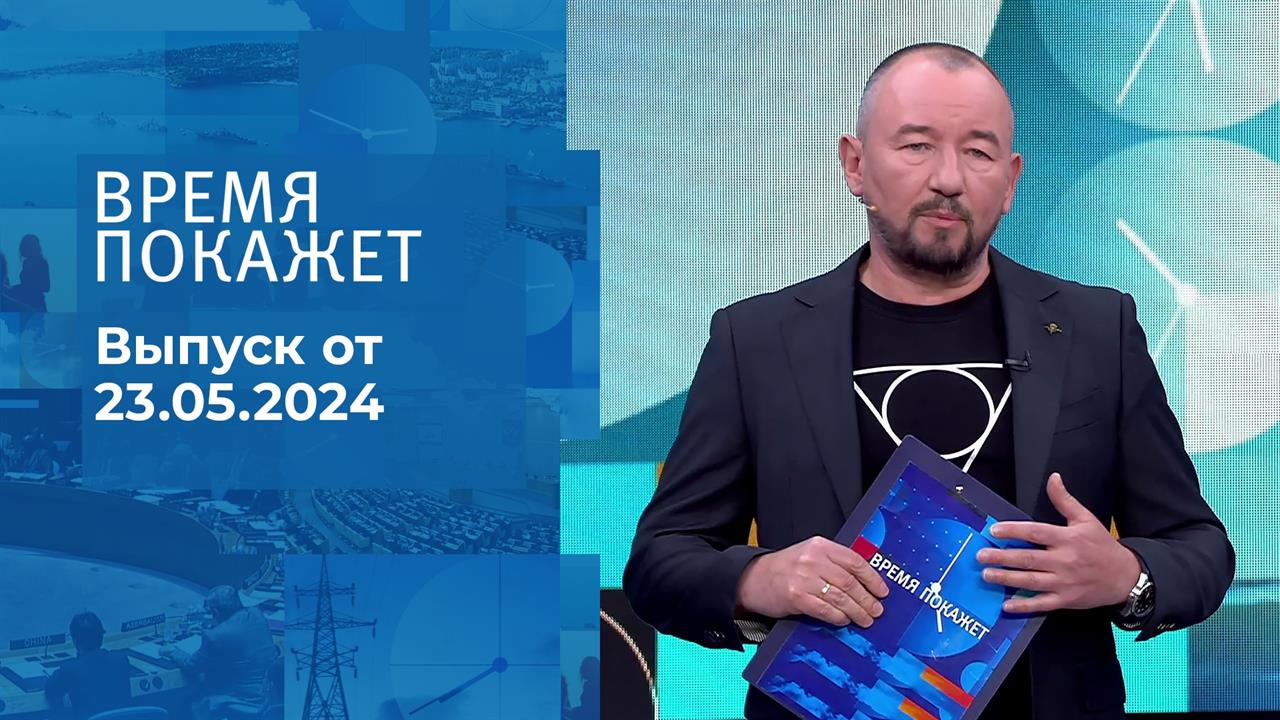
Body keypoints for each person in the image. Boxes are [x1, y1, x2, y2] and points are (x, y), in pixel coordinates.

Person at [623, 43, 1234, 720]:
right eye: (917, 146)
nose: (949, 178)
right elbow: (658, 564)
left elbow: (1200, 549)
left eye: (978, 152)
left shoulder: (1099, 329)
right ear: (855, 164)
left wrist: (1126, 576)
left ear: (1011, 180)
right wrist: (759, 579)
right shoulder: (758, 340)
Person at [162, 585, 278, 720]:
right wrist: (210, 629)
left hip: (239, 698)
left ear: (215, 611)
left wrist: (172, 651)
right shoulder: (256, 614)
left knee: (182, 702)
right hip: (266, 695)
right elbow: (237, 631)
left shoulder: (215, 636)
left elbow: (191, 665)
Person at [44, 612, 132, 720]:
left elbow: (51, 691)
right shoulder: (121, 659)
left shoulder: (70, 668)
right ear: (101, 636)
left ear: (75, 641)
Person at [10, 233, 49, 312]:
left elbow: (46, 287)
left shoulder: (42, 263)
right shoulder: (26, 263)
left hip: (36, 305)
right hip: (25, 303)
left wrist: (18, 289)